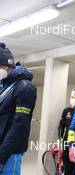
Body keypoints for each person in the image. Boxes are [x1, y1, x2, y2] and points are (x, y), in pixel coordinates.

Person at [0, 43, 37, 174]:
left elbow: (20, 125)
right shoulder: (4, 85)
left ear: (4, 65)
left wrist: (2, 156)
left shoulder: (24, 87)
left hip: (10, 153)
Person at [58, 88, 75, 175]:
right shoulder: (66, 111)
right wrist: (60, 139)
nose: (73, 99)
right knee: (66, 165)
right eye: (72, 97)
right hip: (66, 141)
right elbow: (61, 126)